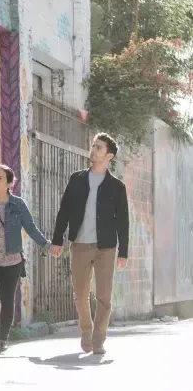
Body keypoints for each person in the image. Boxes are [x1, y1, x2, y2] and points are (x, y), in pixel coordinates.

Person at [50, 133, 129, 355]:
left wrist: (123, 252)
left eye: (99, 147)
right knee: (80, 293)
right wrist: (58, 240)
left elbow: (123, 220)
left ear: (109, 155)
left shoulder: (117, 187)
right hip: (80, 244)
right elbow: (64, 210)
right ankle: (86, 330)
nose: (93, 150)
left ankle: (99, 339)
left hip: (106, 246)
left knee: (104, 296)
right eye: (93, 146)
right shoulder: (77, 179)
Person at [0, 164, 50, 352]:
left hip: (12, 262)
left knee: (7, 301)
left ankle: (3, 339)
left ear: (8, 182)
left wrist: (46, 244)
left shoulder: (18, 205)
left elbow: (30, 228)